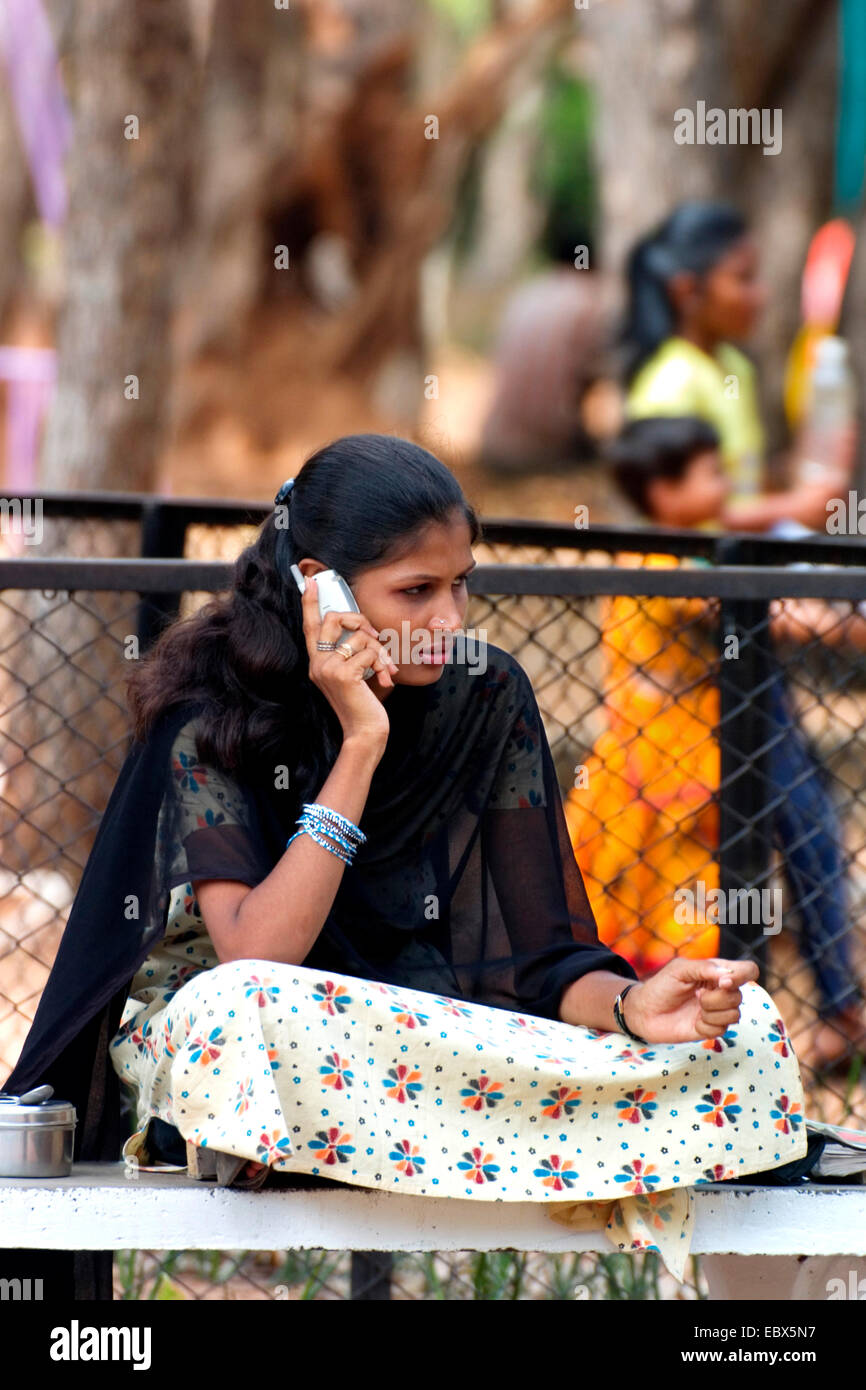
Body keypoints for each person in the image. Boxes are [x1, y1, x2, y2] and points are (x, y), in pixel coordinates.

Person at [4, 433, 807, 1296]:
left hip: (417, 1042)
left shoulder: (487, 694)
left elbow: (541, 963)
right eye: (417, 591)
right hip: (259, 1049)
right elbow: (256, 954)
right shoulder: (217, 711)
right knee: (255, 1006)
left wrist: (631, 1007)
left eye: (461, 584)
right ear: (323, 587)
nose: (450, 621)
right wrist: (362, 744)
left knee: (746, 1033)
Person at [565, 415, 866, 1072]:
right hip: (666, 761)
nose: (728, 485)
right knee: (675, 895)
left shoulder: (689, 545)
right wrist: (837, 622)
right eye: (713, 473)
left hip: (695, 754)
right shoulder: (663, 563)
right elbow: (763, 611)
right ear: (666, 494)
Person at [622, 200, 854, 529]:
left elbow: (747, 487)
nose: (760, 294)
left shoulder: (734, 368)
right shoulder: (670, 382)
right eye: (743, 279)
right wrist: (792, 508)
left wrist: (807, 459)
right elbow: (675, 513)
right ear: (687, 291)